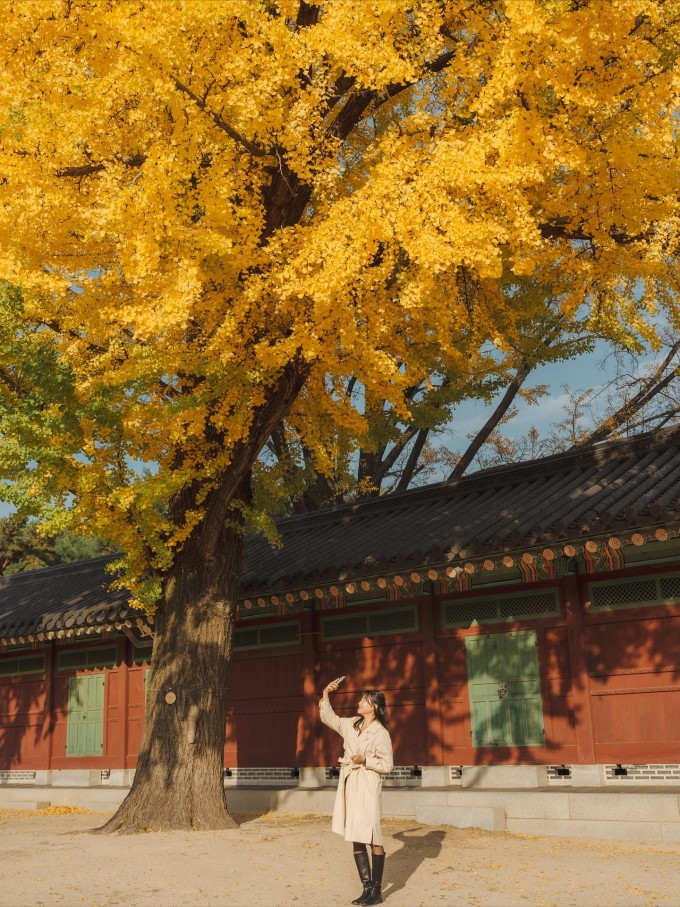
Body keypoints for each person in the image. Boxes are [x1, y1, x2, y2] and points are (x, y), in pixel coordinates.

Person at [319, 677, 394, 906]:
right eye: (361, 699)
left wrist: (366, 759)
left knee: (372, 834)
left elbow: (387, 765)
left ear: (375, 707)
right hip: (350, 783)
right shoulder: (352, 724)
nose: (359, 702)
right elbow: (328, 718)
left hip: (368, 784)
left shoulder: (381, 733)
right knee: (355, 834)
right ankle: (366, 888)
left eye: (364, 700)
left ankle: (378, 891)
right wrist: (325, 694)